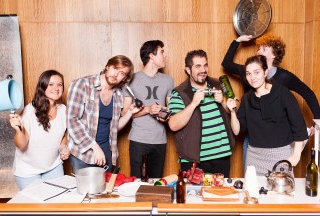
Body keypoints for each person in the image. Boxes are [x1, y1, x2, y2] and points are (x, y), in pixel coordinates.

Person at [222, 33, 320, 167]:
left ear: (265, 72)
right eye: (249, 74)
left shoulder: (284, 83)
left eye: (263, 48)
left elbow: (307, 95)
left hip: (278, 143)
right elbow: (226, 64)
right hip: (253, 139)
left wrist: (318, 121)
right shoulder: (247, 83)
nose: (258, 51)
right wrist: (238, 40)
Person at [227, 55, 308, 176]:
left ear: (265, 72)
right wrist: (232, 112)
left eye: (256, 72)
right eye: (248, 74)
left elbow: (299, 126)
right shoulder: (246, 99)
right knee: (253, 194)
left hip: (280, 155)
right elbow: (237, 130)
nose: (252, 77)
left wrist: (296, 156)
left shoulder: (282, 93)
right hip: (254, 156)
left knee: (281, 193)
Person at [67, 55, 142, 173]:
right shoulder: (82, 84)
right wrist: (95, 147)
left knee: (107, 191)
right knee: (85, 191)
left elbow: (114, 127)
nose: (116, 74)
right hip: (84, 153)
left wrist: (130, 113)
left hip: (107, 152)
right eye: (115, 68)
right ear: (107, 66)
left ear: (124, 78)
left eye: (122, 73)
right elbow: (72, 121)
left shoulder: (117, 95)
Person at [168, 49, 235, 177]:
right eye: (197, 66)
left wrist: (223, 103)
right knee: (193, 196)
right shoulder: (180, 92)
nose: (203, 70)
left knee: (220, 195)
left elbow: (234, 110)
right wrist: (193, 104)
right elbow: (173, 125)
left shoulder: (219, 84)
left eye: (205, 65)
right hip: (194, 160)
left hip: (221, 156)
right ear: (188, 70)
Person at [9, 70, 70, 190]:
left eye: (60, 84)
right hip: (28, 171)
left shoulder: (63, 110)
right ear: (42, 86)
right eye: (51, 84)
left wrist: (63, 147)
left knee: (58, 203)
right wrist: (18, 130)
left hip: (53, 166)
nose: (56, 88)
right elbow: (21, 144)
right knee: (34, 208)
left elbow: (64, 133)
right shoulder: (29, 111)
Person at [122, 40, 174, 178]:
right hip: (138, 140)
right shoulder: (131, 80)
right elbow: (123, 113)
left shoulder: (168, 80)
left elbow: (171, 110)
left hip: (160, 141)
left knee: (156, 185)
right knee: (137, 184)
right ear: (151, 55)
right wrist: (147, 110)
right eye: (162, 51)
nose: (165, 55)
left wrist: (164, 114)